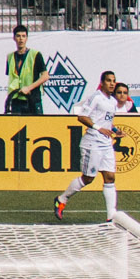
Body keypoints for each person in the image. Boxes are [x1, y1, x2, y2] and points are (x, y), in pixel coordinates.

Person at [54, 70, 122, 223]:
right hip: (92, 143)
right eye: (109, 81)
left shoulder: (112, 101)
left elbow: (106, 121)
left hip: (106, 143)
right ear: (102, 83)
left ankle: (111, 217)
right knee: (88, 178)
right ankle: (61, 199)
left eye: (114, 80)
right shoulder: (96, 98)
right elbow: (82, 117)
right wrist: (99, 128)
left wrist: (116, 130)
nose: (112, 84)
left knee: (110, 177)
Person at [5, 26, 48, 117]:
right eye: (18, 36)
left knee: (36, 127)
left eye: (23, 36)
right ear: (14, 38)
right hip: (16, 99)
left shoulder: (35, 54)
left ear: (27, 38)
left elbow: (45, 76)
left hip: (32, 99)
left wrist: (29, 88)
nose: (21, 39)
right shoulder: (10, 57)